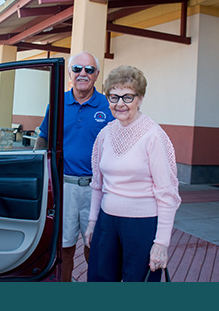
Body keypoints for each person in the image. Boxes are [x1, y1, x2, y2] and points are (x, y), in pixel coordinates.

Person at [84, 65, 182, 282]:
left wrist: (161, 243)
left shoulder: (154, 136)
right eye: (114, 97)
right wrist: (92, 222)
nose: (120, 104)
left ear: (140, 98)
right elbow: (98, 185)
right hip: (107, 223)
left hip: (142, 225)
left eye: (127, 97)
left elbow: (167, 193)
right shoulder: (105, 134)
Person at [35, 52, 114, 282]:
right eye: (77, 68)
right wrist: (40, 172)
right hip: (65, 188)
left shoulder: (108, 106)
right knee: (65, 249)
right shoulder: (58, 104)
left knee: (96, 249)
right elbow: (44, 139)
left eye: (89, 70)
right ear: (70, 73)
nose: (83, 73)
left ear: (96, 75)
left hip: (97, 190)